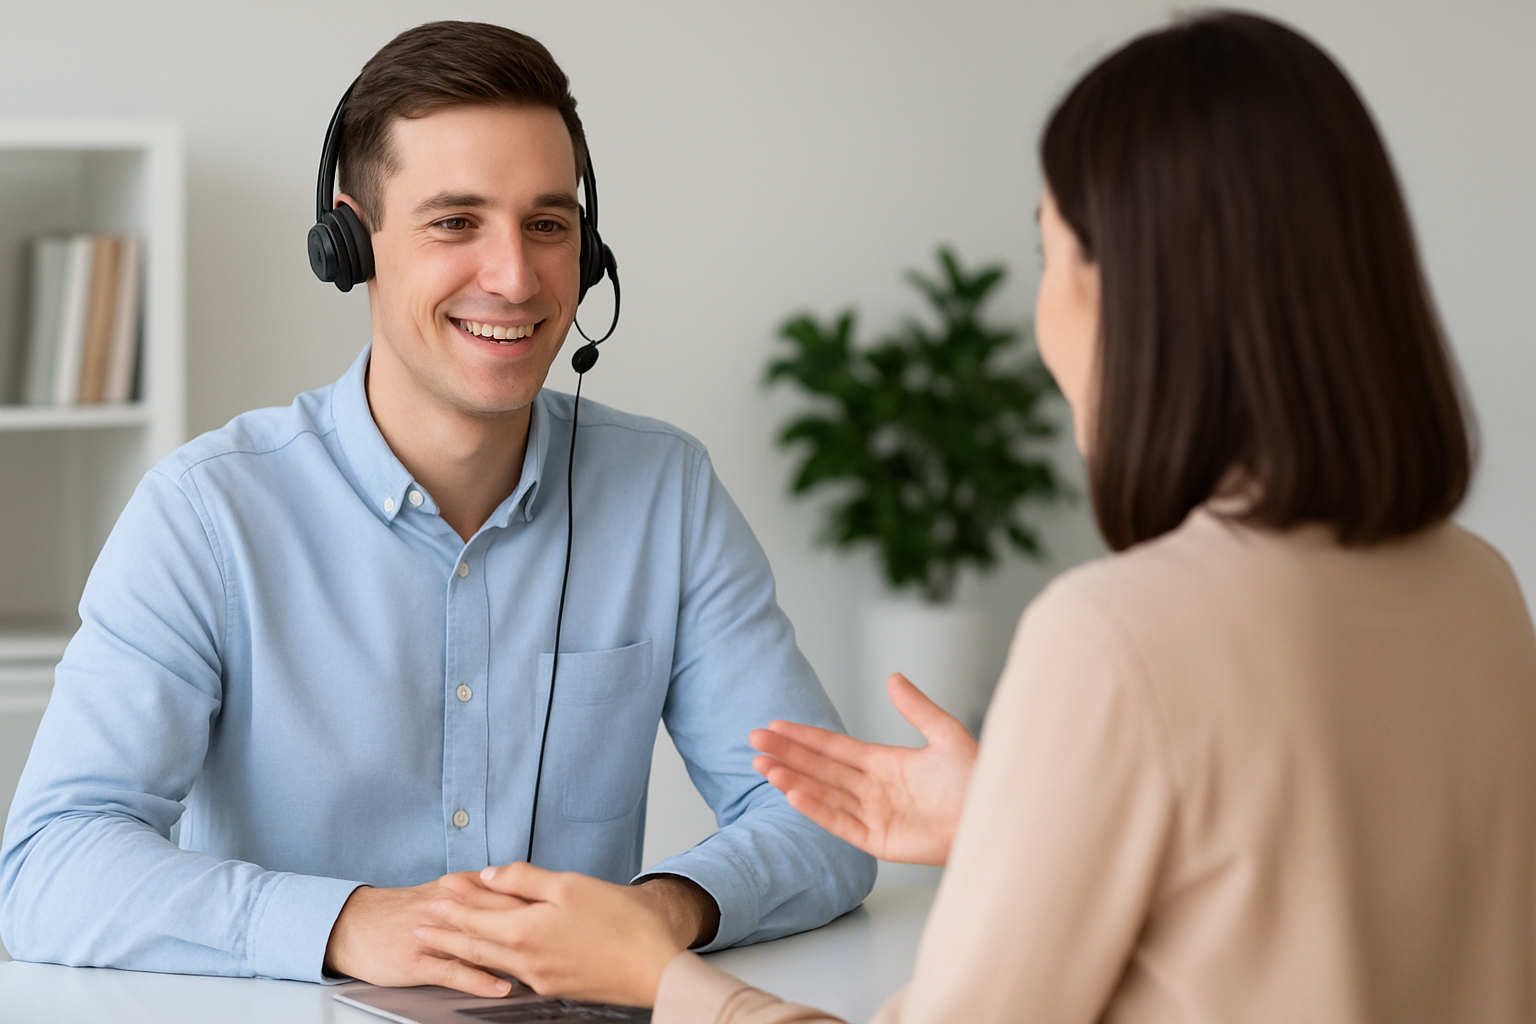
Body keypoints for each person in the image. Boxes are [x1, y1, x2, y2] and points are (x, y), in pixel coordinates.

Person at [401, 11, 1536, 1021]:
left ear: (1130, 290)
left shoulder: (1119, 635)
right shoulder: (1481, 590)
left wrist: (654, 972)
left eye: (1053, 251)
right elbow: (1295, 904)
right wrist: (1022, 817)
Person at [0, 21, 874, 991]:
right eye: (456, 222)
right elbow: (50, 862)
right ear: (350, 241)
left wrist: (658, 909)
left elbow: (823, 820)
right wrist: (345, 922)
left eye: (548, 223)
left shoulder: (665, 493)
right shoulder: (206, 513)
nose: (514, 275)